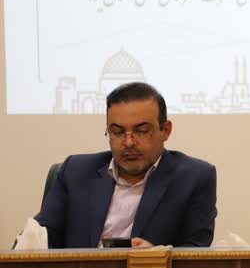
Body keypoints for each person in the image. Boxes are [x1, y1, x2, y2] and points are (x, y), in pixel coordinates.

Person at [35, 82, 217, 248]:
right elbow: (38, 239)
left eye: (142, 131)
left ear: (166, 130)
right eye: (117, 132)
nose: (129, 142)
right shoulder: (75, 171)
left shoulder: (195, 177)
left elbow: (196, 253)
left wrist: (159, 258)